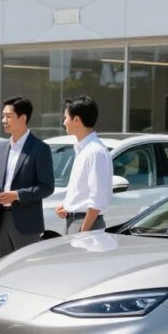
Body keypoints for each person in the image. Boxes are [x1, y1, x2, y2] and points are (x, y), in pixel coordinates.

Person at [0, 96, 54, 257]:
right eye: (3, 116)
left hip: (26, 224)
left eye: (8, 116)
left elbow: (46, 187)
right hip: (2, 221)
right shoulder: (1, 148)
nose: (4, 120)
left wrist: (16, 195)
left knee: (25, 273)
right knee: (3, 271)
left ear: (23, 118)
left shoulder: (39, 148)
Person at [56, 95, 112, 234]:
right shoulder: (83, 149)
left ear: (76, 120)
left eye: (65, 118)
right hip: (75, 223)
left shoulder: (95, 152)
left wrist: (83, 232)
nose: (64, 123)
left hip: (86, 226)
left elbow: (97, 199)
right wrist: (69, 207)